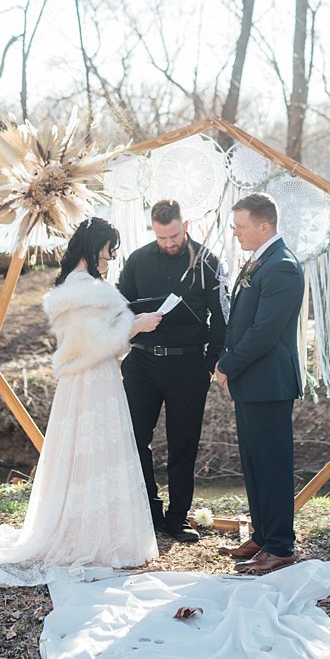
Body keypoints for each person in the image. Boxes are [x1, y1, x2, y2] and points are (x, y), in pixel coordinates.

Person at [0, 217, 165, 586]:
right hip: (90, 380)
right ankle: (89, 534)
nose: (111, 258)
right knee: (90, 450)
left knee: (93, 452)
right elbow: (90, 344)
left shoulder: (81, 286)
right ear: (96, 248)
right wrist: (135, 325)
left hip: (93, 380)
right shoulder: (84, 290)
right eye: (109, 250)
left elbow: (94, 340)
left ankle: (101, 527)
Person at [116, 198, 225, 543]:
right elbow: (118, 307)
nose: (168, 243)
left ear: (185, 225)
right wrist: (136, 323)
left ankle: (177, 518)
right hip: (142, 364)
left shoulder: (207, 262)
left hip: (188, 365)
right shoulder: (137, 260)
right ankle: (149, 511)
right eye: (162, 237)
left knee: (183, 444)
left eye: (174, 235)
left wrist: (209, 365)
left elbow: (221, 319)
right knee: (135, 439)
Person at [214, 192, 304, 575]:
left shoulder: (282, 267)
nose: (235, 233)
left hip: (270, 383)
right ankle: (263, 536)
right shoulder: (259, 261)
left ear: (264, 226)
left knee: (273, 465)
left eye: (240, 226)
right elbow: (239, 321)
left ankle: (281, 546)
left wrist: (227, 365)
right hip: (252, 381)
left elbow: (265, 331)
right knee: (253, 463)